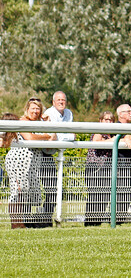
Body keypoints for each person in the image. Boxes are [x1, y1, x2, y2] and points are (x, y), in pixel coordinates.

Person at [5, 98, 55, 228]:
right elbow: (29, 137)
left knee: (27, 192)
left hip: (32, 163)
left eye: (38, 108)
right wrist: (45, 136)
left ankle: (22, 222)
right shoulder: (23, 121)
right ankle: (16, 224)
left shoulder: (40, 123)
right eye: (33, 108)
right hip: (18, 160)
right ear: (27, 109)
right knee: (18, 191)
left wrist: (48, 123)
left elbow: (53, 139)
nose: (35, 111)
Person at [40, 91, 75, 226]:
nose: (61, 102)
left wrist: (62, 137)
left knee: (53, 188)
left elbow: (71, 136)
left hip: (52, 154)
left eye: (63, 100)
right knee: (38, 188)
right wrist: (65, 137)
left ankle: (46, 217)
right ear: (53, 102)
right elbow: (52, 136)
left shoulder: (69, 114)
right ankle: (35, 218)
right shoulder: (49, 113)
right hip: (41, 153)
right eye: (58, 100)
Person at [85, 111, 117, 226]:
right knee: (94, 195)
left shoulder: (112, 135)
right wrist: (113, 141)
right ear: (100, 121)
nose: (108, 122)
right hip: (94, 168)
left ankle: (97, 222)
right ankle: (90, 222)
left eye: (111, 120)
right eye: (106, 119)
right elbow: (96, 142)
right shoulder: (98, 131)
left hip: (106, 168)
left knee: (104, 196)